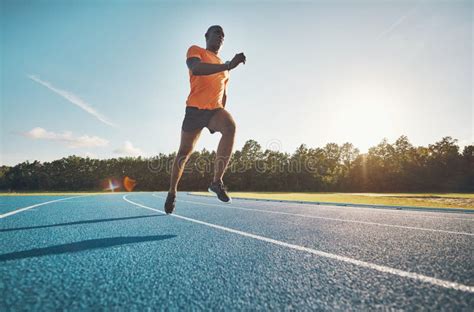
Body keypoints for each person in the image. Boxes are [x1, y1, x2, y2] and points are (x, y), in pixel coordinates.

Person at [164, 25, 246, 214]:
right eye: (217, 32)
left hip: (214, 111)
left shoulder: (226, 69)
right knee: (184, 152)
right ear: (206, 36)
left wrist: (221, 111)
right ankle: (172, 191)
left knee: (230, 127)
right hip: (194, 109)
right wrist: (227, 65)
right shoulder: (196, 50)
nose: (220, 36)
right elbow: (196, 69)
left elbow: (223, 92)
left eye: (223, 35)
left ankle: (216, 182)